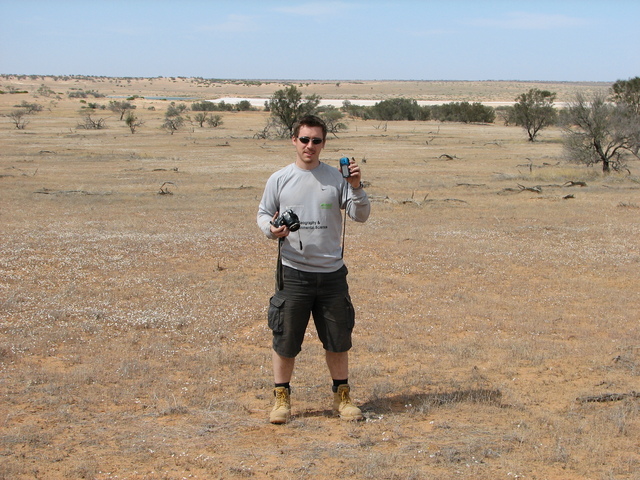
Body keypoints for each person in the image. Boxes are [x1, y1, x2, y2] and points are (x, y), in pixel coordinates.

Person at [257, 115, 371, 424]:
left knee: (338, 338)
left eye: (316, 141)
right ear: (294, 141)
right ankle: (281, 399)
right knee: (286, 338)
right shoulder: (279, 179)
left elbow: (361, 215)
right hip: (293, 272)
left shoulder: (337, 178)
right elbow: (264, 213)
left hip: (332, 274)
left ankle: (342, 397)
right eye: (304, 139)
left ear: (324, 143)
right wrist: (272, 229)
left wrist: (356, 187)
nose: (310, 146)